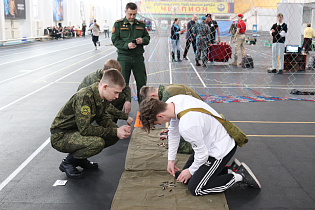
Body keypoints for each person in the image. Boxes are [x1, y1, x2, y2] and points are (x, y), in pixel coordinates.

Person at [139, 95, 261, 196]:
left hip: (220, 150)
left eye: (157, 122)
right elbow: (173, 132)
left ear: (160, 116)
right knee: (185, 178)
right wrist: (171, 160)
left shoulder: (187, 126)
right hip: (208, 144)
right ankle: (229, 169)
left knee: (196, 188)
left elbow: (202, 155)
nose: (160, 124)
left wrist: (191, 170)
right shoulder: (173, 101)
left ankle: (239, 176)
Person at [50, 69, 131, 178]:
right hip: (61, 136)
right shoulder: (85, 96)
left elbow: (102, 117)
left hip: (75, 130)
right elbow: (85, 129)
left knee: (113, 136)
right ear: (105, 87)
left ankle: (80, 159)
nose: (117, 96)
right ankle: (68, 162)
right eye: (116, 92)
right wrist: (115, 131)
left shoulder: (102, 96)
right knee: (97, 143)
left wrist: (117, 130)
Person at [139, 84, 204, 154]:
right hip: (199, 112)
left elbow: (176, 120)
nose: (160, 124)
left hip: (200, 121)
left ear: (152, 96)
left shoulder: (167, 98)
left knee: (178, 146)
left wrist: (171, 136)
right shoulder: (167, 89)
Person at [111, 2, 150, 102]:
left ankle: (143, 107)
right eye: (130, 14)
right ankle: (122, 107)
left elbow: (147, 38)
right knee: (122, 84)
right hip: (124, 58)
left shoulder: (141, 24)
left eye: (134, 14)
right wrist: (126, 45)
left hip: (138, 58)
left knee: (142, 83)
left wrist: (142, 40)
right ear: (125, 12)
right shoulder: (118, 24)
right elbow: (115, 40)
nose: (132, 16)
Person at [78, 59, 133, 124]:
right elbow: (106, 105)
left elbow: (125, 87)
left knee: (120, 96)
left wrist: (127, 101)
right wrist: (124, 118)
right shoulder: (96, 81)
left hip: (97, 103)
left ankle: (112, 121)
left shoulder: (111, 75)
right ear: (106, 72)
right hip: (85, 106)